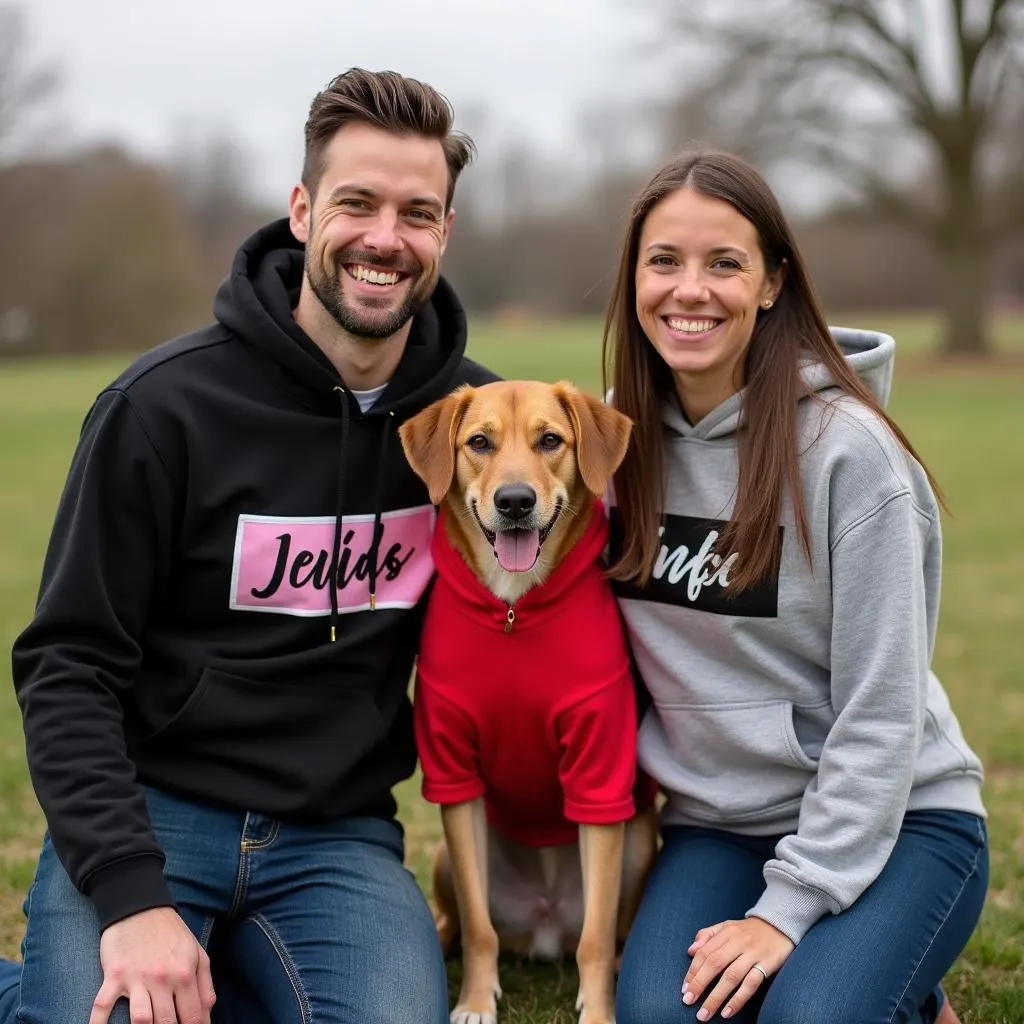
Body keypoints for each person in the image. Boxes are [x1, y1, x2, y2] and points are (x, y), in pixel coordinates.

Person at [3, 68, 497, 1024]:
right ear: (304, 210)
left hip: (337, 841)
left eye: (417, 212)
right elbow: (67, 667)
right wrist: (131, 894)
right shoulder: (161, 408)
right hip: (153, 815)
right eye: (357, 203)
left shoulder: (474, 429)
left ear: (444, 233)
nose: (385, 238)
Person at [603, 150, 988, 1024]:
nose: (688, 289)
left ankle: (882, 978)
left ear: (772, 283)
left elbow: (882, 715)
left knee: (807, 1018)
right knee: (663, 1017)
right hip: (718, 828)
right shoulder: (607, 454)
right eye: (663, 260)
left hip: (898, 825)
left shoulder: (852, 458)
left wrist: (788, 911)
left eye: (724, 263)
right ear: (634, 278)